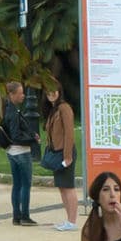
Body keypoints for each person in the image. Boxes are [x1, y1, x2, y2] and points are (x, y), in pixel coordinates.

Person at [0, 82, 42, 226]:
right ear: (12, 95)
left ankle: (16, 216)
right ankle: (24, 216)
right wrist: (33, 140)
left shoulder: (8, 109)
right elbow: (16, 136)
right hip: (21, 152)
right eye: (20, 93)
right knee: (25, 185)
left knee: (17, 184)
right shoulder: (13, 113)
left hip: (12, 152)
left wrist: (31, 134)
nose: (23, 95)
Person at [43, 86, 80, 232]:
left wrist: (67, 156)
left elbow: (69, 133)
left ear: (59, 92)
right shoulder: (54, 109)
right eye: (48, 92)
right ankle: (69, 220)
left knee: (68, 187)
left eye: (53, 91)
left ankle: (72, 221)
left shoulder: (64, 108)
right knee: (62, 187)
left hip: (65, 153)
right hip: (57, 152)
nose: (51, 94)